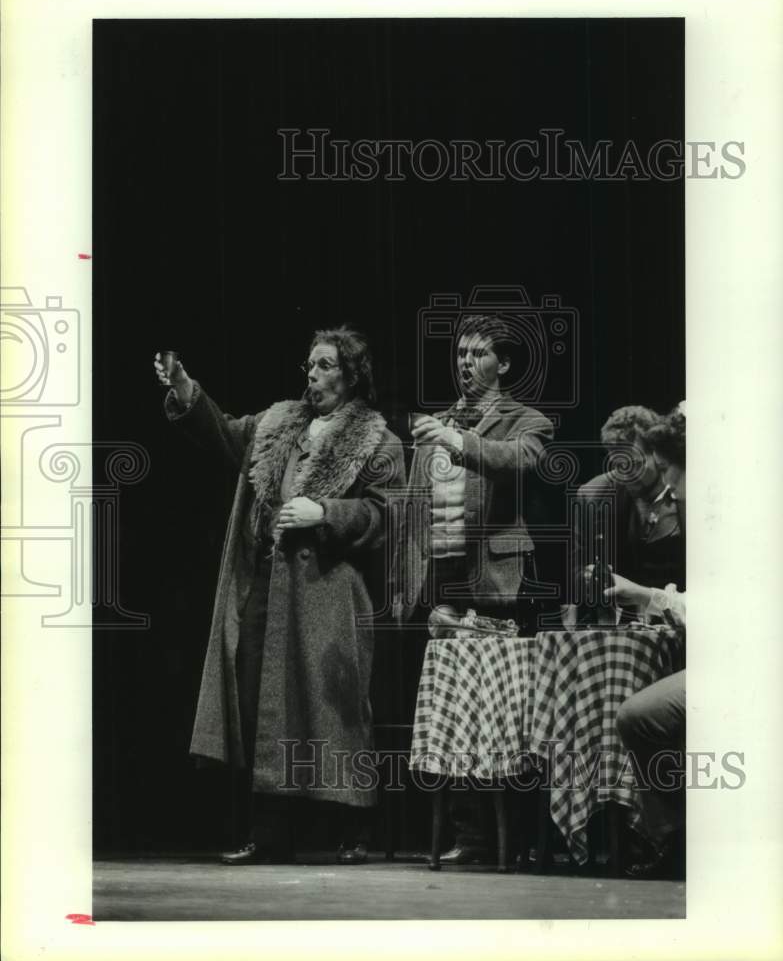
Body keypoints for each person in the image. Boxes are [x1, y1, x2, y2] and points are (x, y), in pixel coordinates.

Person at [154, 326, 405, 864]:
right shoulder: (278, 424)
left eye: (325, 365)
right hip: (266, 582)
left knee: (334, 708)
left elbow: (389, 515)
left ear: (352, 374)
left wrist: (327, 512)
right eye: (309, 365)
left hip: (329, 593)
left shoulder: (378, 441)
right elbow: (221, 431)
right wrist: (183, 388)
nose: (312, 375)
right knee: (258, 702)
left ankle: (354, 828)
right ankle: (265, 832)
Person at [394, 313, 555, 864]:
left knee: (508, 714)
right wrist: (407, 578)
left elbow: (521, 462)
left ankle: (525, 839)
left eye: (479, 353)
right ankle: (470, 834)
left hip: (499, 583)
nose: (465, 361)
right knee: (456, 710)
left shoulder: (527, 420)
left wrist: (457, 440)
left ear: (503, 363)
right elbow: (416, 506)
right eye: (460, 352)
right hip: (447, 580)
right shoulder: (437, 424)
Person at [610, 404, 687, 878]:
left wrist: (650, 599)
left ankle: (669, 836)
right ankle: (657, 834)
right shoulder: (610, 499)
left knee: (639, 713)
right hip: (658, 628)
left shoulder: (693, 501)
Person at [572, 404, 685, 614]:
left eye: (635, 464)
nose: (626, 476)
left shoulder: (685, 486)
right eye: (618, 465)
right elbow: (575, 571)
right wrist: (588, 577)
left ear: (658, 454)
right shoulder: (593, 496)